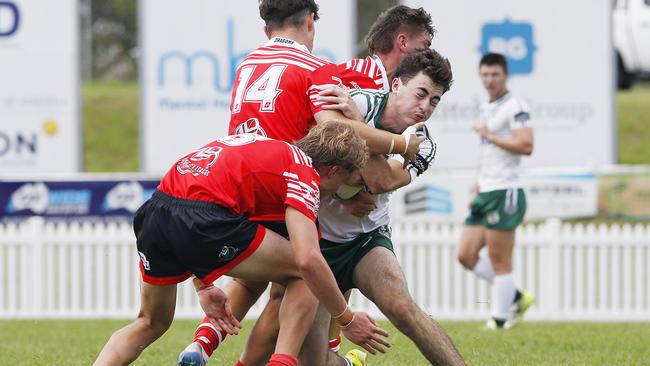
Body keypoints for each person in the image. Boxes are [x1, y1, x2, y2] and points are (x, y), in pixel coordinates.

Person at [178, 1, 424, 365]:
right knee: (302, 279)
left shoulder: (247, 63)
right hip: (285, 189)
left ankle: (202, 344)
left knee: (251, 281)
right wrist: (398, 146)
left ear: (267, 29)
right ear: (310, 21)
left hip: (240, 188)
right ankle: (290, 360)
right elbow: (335, 133)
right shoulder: (322, 69)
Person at [93, 122, 388, 366]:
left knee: (149, 322)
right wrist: (347, 320)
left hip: (157, 210)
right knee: (304, 271)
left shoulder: (264, 148)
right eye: (345, 184)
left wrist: (204, 285)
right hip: (204, 217)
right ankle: (282, 363)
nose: (337, 195)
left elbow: (193, 198)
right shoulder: (304, 170)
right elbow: (308, 259)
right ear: (333, 170)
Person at [311, 48, 464, 366]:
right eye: (421, 93)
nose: (425, 107)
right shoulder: (360, 100)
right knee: (310, 358)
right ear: (395, 85)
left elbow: (383, 181)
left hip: (366, 241)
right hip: (318, 243)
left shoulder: (423, 140)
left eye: (435, 100)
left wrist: (356, 126)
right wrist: (342, 195)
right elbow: (318, 152)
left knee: (400, 306)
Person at [456, 52, 536, 330]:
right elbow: (489, 153)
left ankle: (499, 321)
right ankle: (515, 295)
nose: (489, 80)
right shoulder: (489, 107)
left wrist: (490, 135)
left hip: (505, 191)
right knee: (465, 254)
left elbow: (526, 145)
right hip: (486, 190)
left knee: (499, 259)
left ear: (506, 76)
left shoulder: (515, 105)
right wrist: (479, 183)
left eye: (495, 75)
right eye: (485, 74)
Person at [339, 5, 434, 93]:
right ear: (403, 42)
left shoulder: (393, 91)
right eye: (425, 45)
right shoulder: (356, 74)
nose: (428, 54)